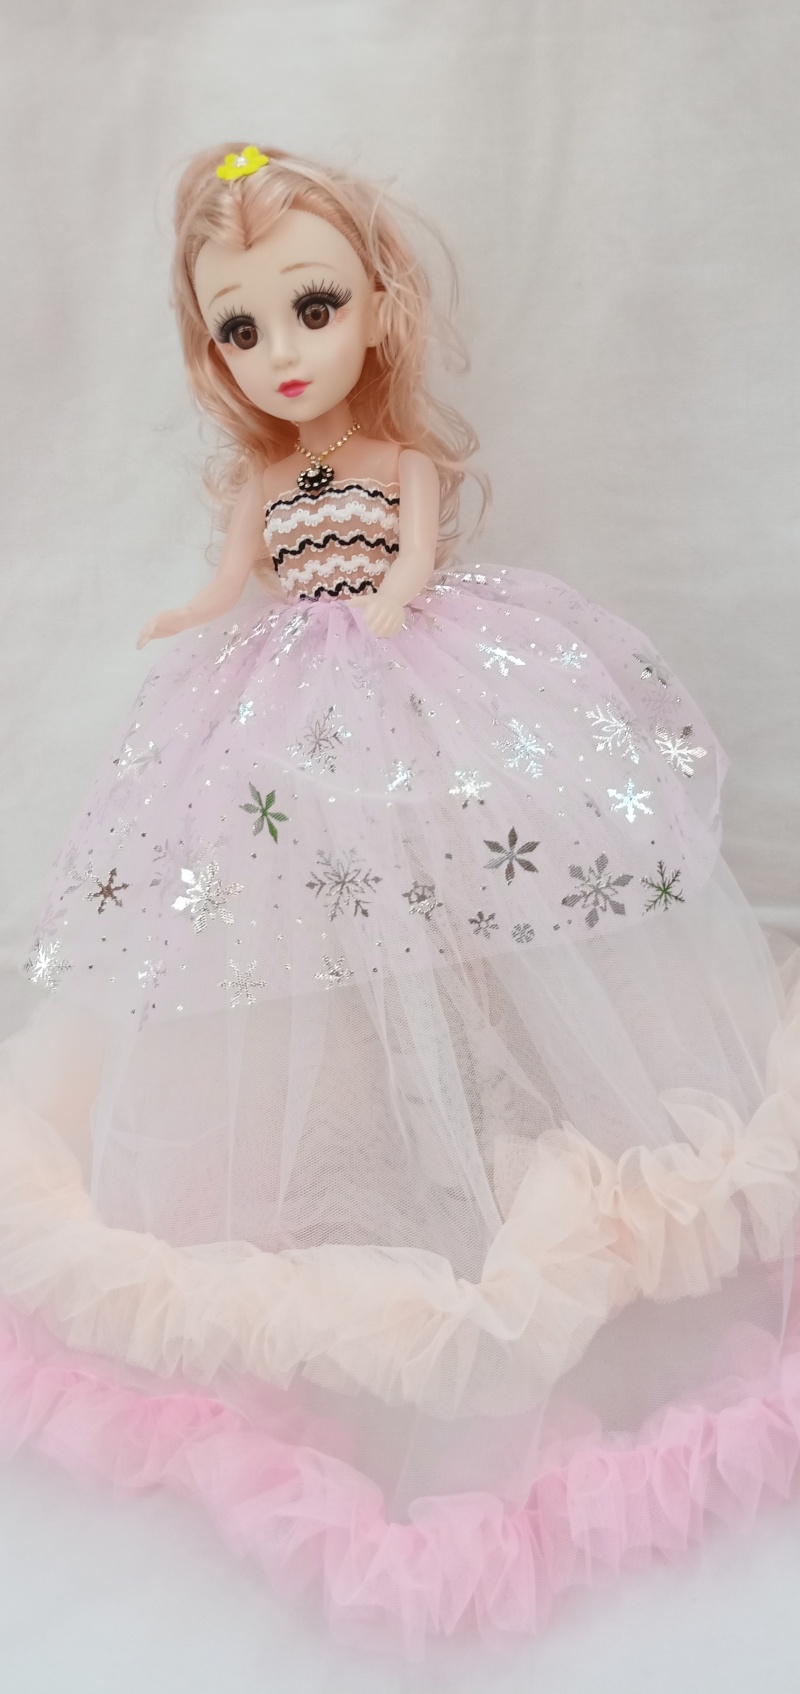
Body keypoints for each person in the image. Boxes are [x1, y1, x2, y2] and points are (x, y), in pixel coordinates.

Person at [0, 141, 798, 1656]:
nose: (283, 350)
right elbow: (232, 578)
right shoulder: (266, 477)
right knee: (297, 910)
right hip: (280, 703)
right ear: (213, 350)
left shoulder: (396, 462)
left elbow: (413, 560)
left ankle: (478, 1067)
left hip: (417, 672)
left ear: (377, 303)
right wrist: (194, 617)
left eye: (312, 306)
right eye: (242, 326)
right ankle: (371, 1086)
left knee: (461, 890)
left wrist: (380, 614)